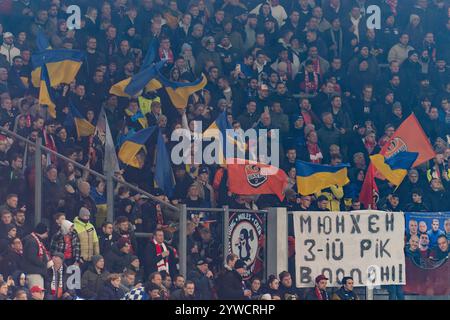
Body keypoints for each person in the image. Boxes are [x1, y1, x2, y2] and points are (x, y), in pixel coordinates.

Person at [22, 223, 50, 288]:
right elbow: (32, 257)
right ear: (44, 232)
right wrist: (44, 264)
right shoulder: (32, 241)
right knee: (36, 295)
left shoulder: (33, 239)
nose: (47, 235)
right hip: (34, 273)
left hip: (35, 272)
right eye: (47, 232)